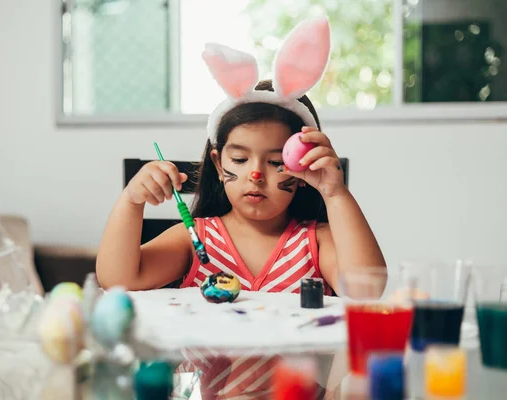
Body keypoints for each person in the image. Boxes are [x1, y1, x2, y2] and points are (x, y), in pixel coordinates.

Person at [96, 17, 385, 399]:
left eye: (276, 161)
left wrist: (336, 194)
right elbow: (118, 279)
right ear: (218, 164)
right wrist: (131, 202)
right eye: (239, 159)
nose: (255, 175)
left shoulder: (315, 241)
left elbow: (369, 288)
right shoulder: (197, 237)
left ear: (302, 172)